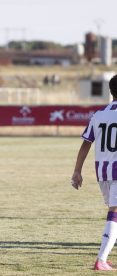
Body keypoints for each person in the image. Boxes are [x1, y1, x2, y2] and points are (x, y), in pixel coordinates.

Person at [71, 74, 117, 271]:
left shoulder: (98, 114)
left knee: (114, 213)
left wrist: (77, 171)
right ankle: (101, 259)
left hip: (103, 174)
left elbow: (85, 145)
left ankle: (104, 257)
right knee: (114, 215)